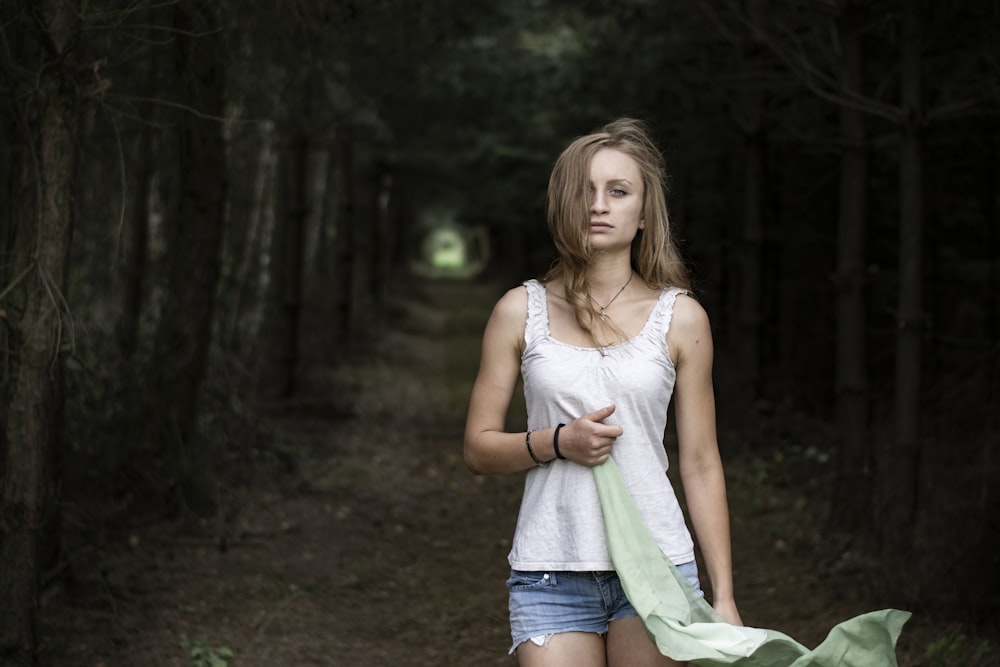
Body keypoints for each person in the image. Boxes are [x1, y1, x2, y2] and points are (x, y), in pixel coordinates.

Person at [464, 117, 743, 667]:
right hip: (550, 570)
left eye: (618, 192)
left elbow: (701, 462)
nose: (599, 205)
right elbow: (477, 448)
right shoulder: (519, 311)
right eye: (584, 191)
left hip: (657, 567)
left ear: (643, 215)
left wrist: (726, 596)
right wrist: (556, 442)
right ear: (562, 205)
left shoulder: (681, 318)